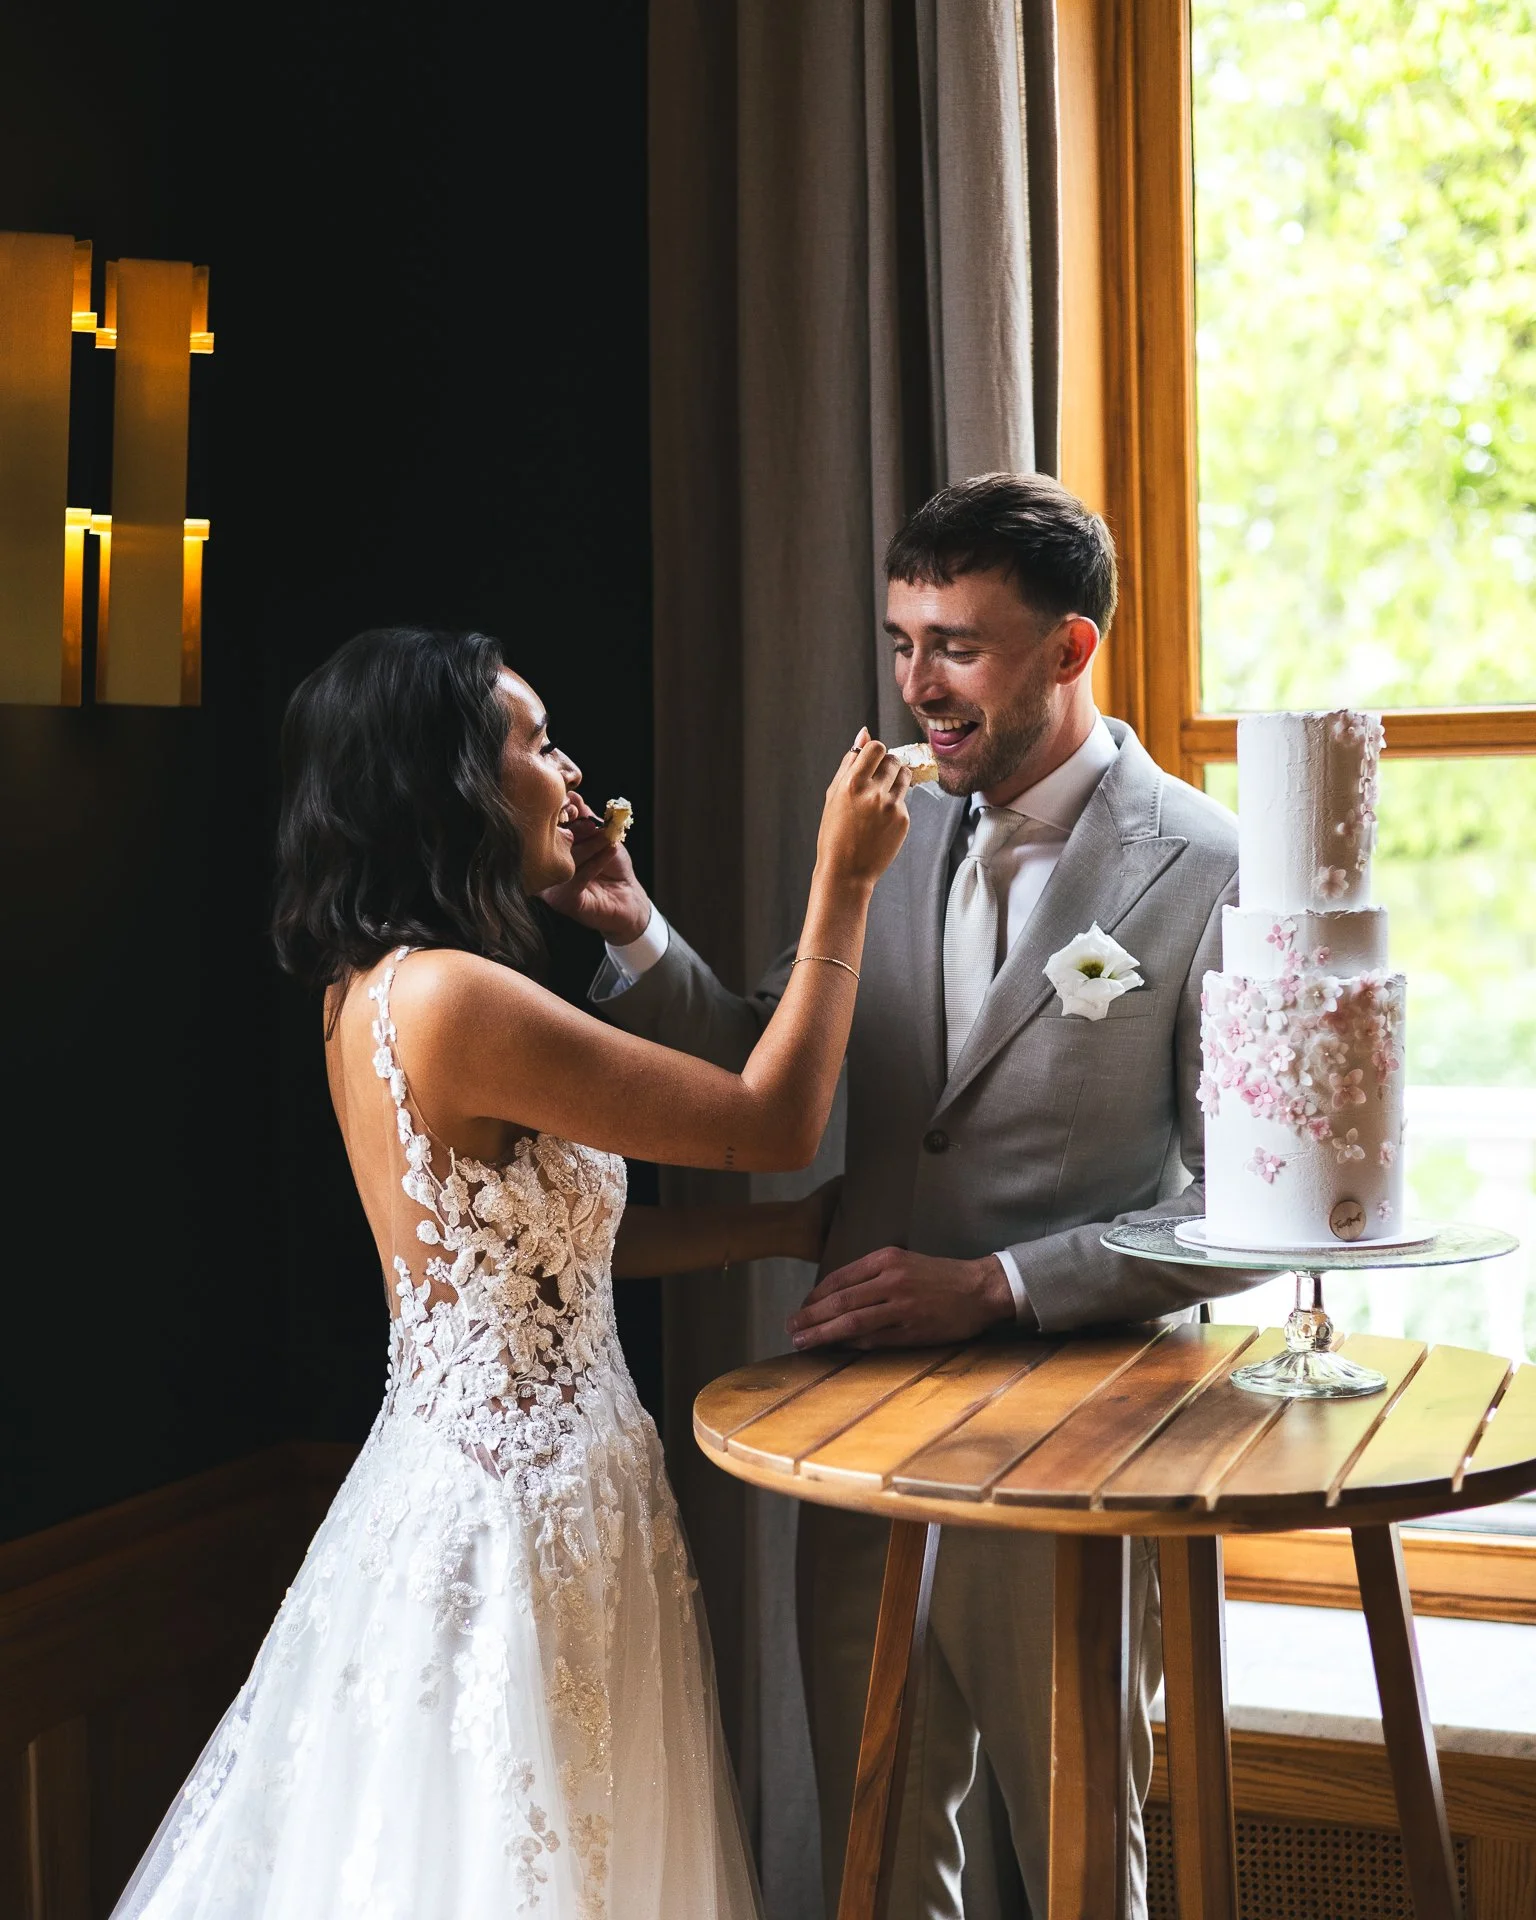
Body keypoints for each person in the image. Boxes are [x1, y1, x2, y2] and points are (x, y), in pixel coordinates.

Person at [111, 626, 912, 1920]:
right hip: (518, 1517)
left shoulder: (370, 989)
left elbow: (539, 1265)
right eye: (537, 744)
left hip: (535, 1486)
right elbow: (772, 1121)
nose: (571, 769)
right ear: (453, 786)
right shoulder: (457, 1002)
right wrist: (845, 881)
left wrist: (777, 1234)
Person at [548, 474, 1258, 1920]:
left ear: (1069, 651)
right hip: (857, 1421)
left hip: (1078, 1436)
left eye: (959, 646)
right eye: (901, 639)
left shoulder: (1207, 863)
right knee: (875, 1840)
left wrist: (999, 1285)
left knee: (1077, 1854)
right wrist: (636, 940)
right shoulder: (893, 827)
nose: (918, 686)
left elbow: (1244, 1204)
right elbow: (769, 1052)